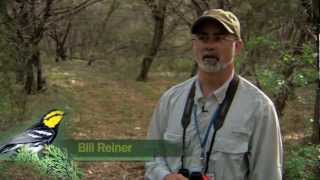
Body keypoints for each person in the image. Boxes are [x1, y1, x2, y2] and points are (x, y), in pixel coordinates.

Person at [145, 9, 283, 180]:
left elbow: (268, 174)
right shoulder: (171, 99)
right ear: (194, 44)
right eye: (203, 38)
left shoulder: (259, 108)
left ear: (237, 46)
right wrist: (165, 176)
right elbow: (151, 157)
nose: (209, 45)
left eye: (219, 38)